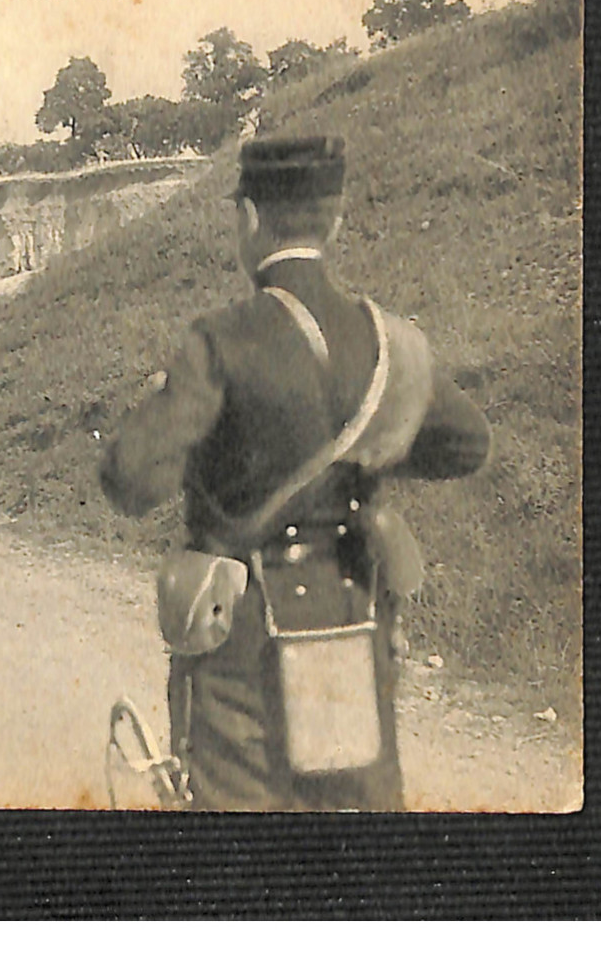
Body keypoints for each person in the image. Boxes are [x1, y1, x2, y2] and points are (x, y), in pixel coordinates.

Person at [98, 136, 491, 812]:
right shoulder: (387, 340)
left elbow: (129, 477)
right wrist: (374, 449)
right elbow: (467, 442)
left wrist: (203, 438)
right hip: (353, 612)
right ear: (334, 219)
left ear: (248, 219)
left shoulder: (220, 339)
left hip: (242, 639)